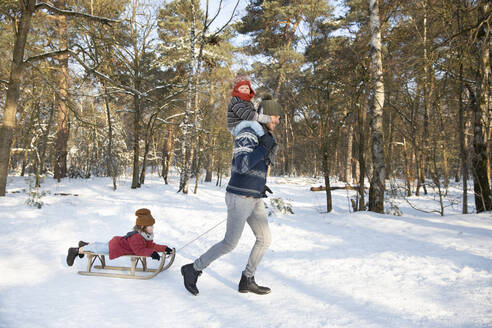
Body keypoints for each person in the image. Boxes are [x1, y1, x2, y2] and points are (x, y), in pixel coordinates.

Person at [181, 100, 281, 296]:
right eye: (276, 117)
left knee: (264, 238)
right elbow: (241, 165)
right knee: (229, 243)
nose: (277, 121)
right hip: (240, 196)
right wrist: (263, 149)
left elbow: (254, 167)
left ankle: (247, 279)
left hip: (253, 196)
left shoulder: (263, 136)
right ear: (266, 115)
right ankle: (193, 269)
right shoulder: (248, 132)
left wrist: (259, 183)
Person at [66, 208, 173, 266]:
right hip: (116, 247)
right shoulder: (137, 237)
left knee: (102, 246)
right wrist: (152, 253)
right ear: (143, 226)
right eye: (150, 226)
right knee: (98, 249)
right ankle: (76, 250)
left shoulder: (145, 236)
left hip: (118, 243)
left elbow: (151, 246)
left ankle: (85, 244)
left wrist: (164, 248)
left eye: (152, 225)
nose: (153, 228)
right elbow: (139, 251)